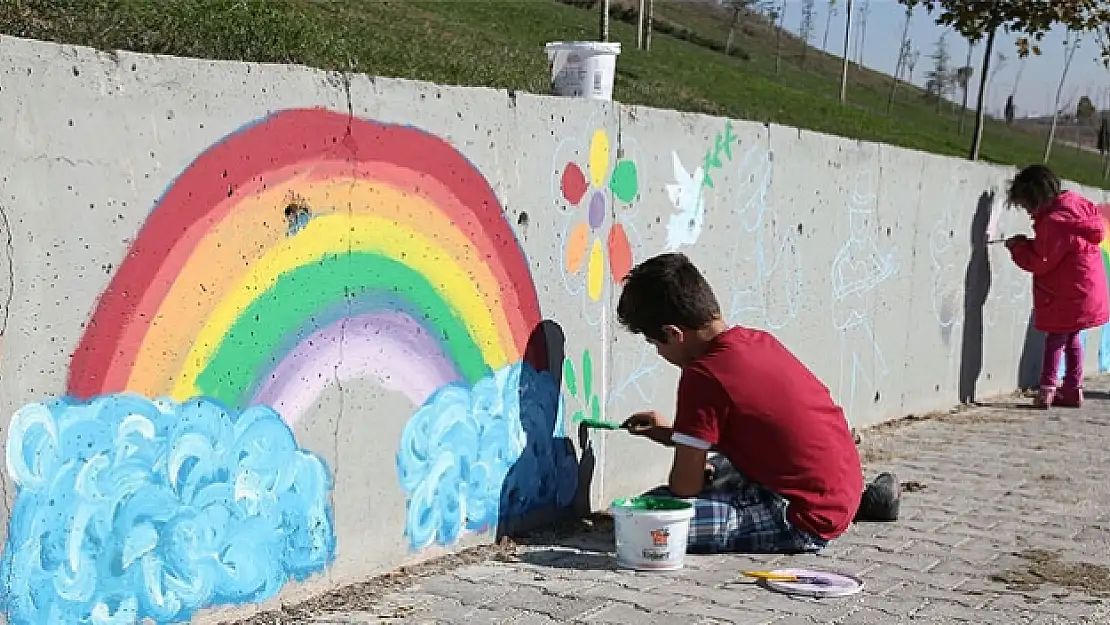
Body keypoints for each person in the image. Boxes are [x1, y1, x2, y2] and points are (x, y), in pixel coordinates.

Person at [616, 252, 898, 555]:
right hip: (839, 489)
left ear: (674, 334)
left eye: (655, 343)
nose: (659, 353)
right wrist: (673, 434)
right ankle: (865, 501)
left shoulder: (702, 376)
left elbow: (685, 487)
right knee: (720, 465)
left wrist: (692, 466)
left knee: (646, 523)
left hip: (800, 519)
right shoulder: (757, 341)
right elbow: (759, 431)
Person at [1005, 164, 1109, 409]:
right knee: (1072, 337)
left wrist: (1019, 247)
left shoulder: (1053, 222)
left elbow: (1041, 261)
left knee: (1055, 339)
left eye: (1026, 205)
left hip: (1066, 292)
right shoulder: (1075, 206)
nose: (1028, 213)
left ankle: (1047, 390)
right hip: (1085, 289)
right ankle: (1073, 388)